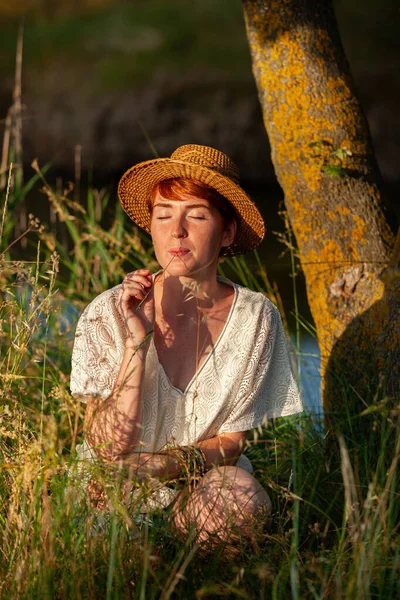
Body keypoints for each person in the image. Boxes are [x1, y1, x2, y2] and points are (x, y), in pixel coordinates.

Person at [70, 144, 303, 551]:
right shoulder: (106, 311)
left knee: (242, 499)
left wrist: (162, 466)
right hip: (110, 493)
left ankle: (192, 560)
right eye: (163, 215)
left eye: (195, 215)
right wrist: (135, 346)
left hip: (195, 487)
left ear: (227, 231)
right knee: (112, 551)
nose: (176, 230)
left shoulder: (255, 316)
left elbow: (231, 444)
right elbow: (107, 448)